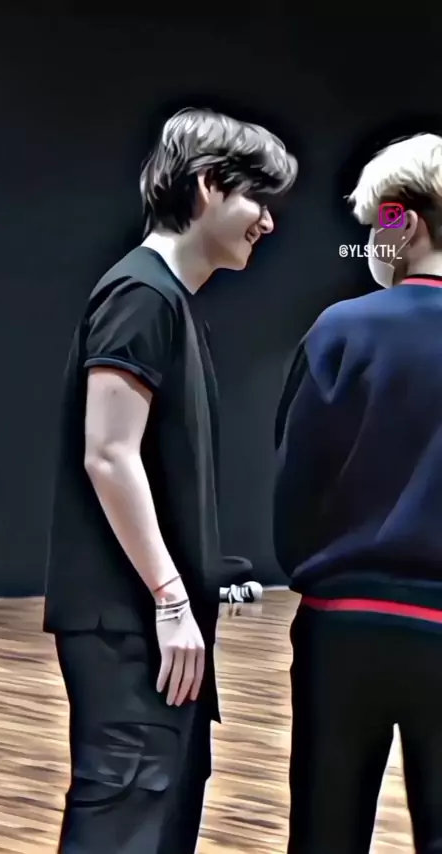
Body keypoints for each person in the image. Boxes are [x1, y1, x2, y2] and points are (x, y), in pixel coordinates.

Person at [44, 106, 297, 854]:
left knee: (159, 823)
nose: (268, 222)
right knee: (125, 825)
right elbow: (108, 454)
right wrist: (171, 598)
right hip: (127, 630)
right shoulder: (142, 296)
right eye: (258, 199)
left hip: (145, 627)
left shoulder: (168, 301)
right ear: (210, 185)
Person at [273, 132, 442, 854]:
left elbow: (296, 480)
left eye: (377, 221)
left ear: (404, 221)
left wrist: (311, 564)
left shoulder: (341, 329)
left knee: (326, 832)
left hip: (341, 627)